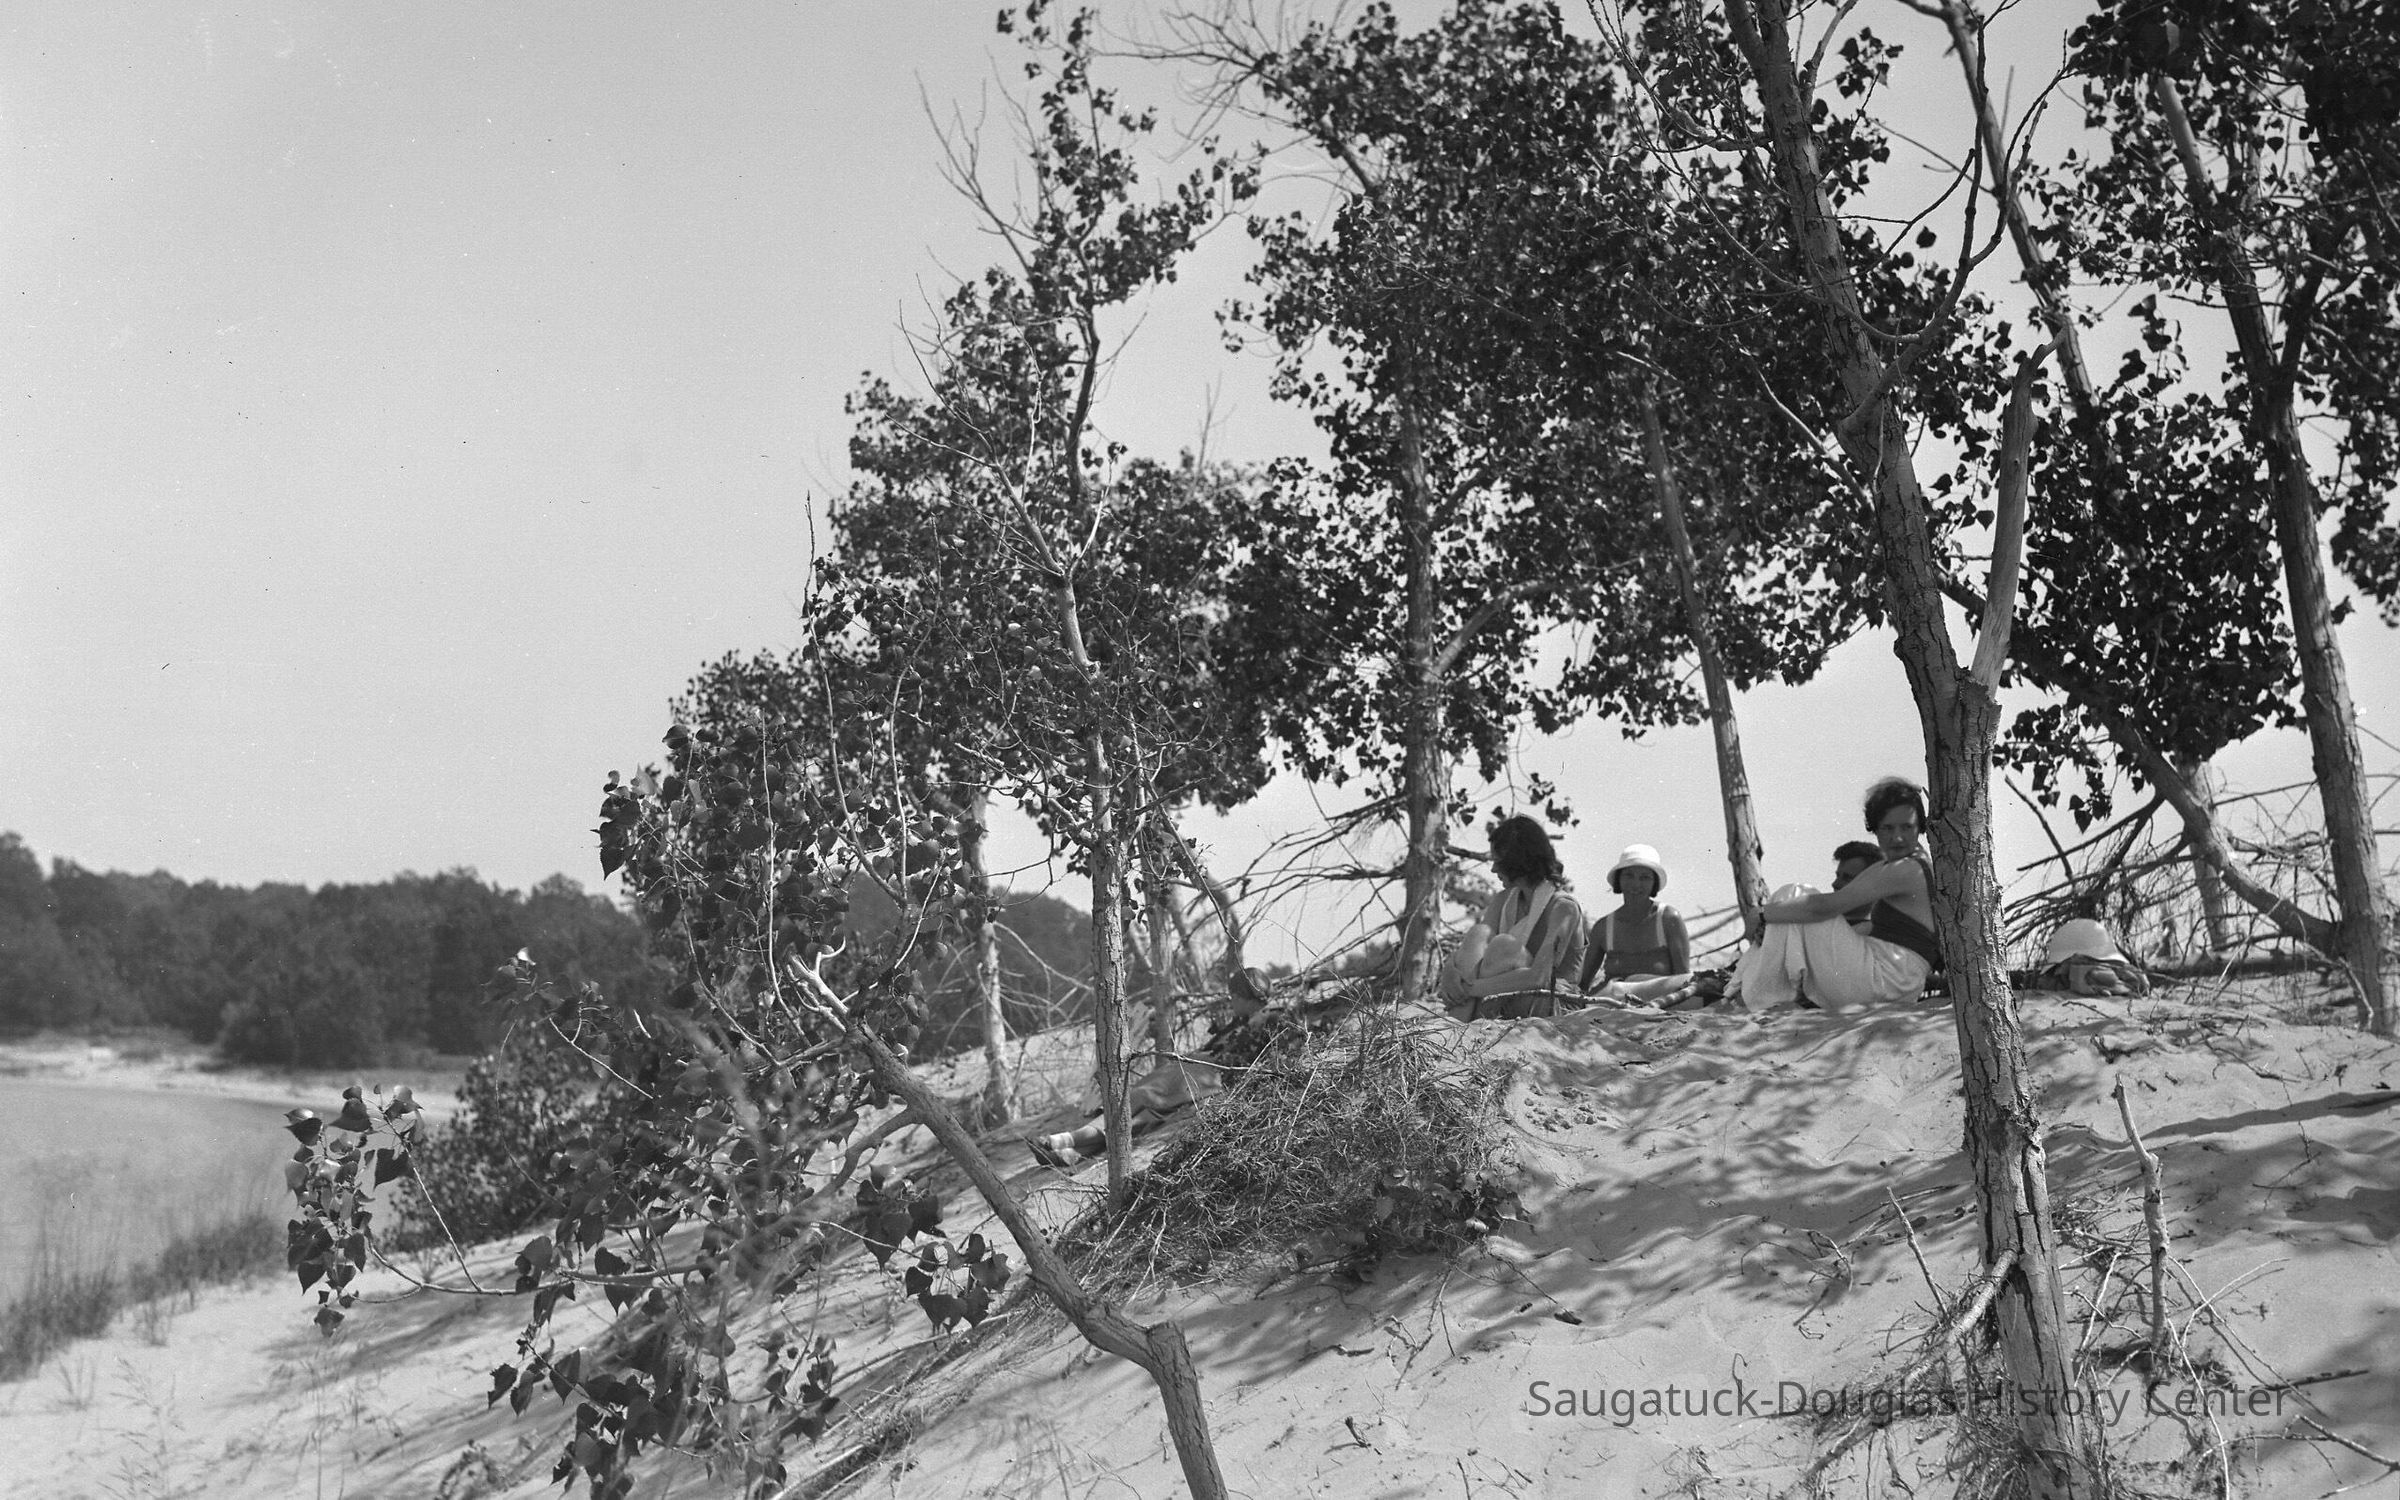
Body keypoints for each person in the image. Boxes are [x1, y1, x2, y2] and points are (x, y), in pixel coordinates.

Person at [1734, 778, 1941, 1013]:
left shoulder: (1907, 869)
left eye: (1907, 827)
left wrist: (1761, 914)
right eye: (1888, 828)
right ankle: (1754, 994)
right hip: (1894, 982)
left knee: (1794, 894)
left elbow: (1823, 907)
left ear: (1920, 827)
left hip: (1887, 981)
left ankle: (1756, 999)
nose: (1898, 837)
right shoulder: (1897, 865)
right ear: (1875, 828)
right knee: (1791, 910)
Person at [1442, 814, 1586, 1020]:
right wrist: (1449, 972)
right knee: (1478, 932)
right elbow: (1474, 949)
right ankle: (1458, 1024)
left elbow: (1539, 976)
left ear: (1519, 861)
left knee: (1504, 946)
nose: (1493, 869)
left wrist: (1470, 988)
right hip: (1506, 996)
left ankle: (1458, 1023)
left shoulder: (1563, 907)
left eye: (1499, 862)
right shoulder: (1505, 899)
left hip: (1555, 1002)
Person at [1577, 844, 1696, 1004]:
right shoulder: (1604, 927)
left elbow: (1682, 980)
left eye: (1645, 878)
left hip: (1662, 1002)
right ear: (1618, 879)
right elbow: (1582, 983)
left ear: (1654, 883)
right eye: (1629, 876)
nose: (1636, 884)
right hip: (1616, 1003)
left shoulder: (1668, 918)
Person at [1832, 840, 1883, 930]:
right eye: (1837, 876)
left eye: (1847, 878)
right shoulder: (1814, 927)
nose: (1835, 884)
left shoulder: (1888, 937)